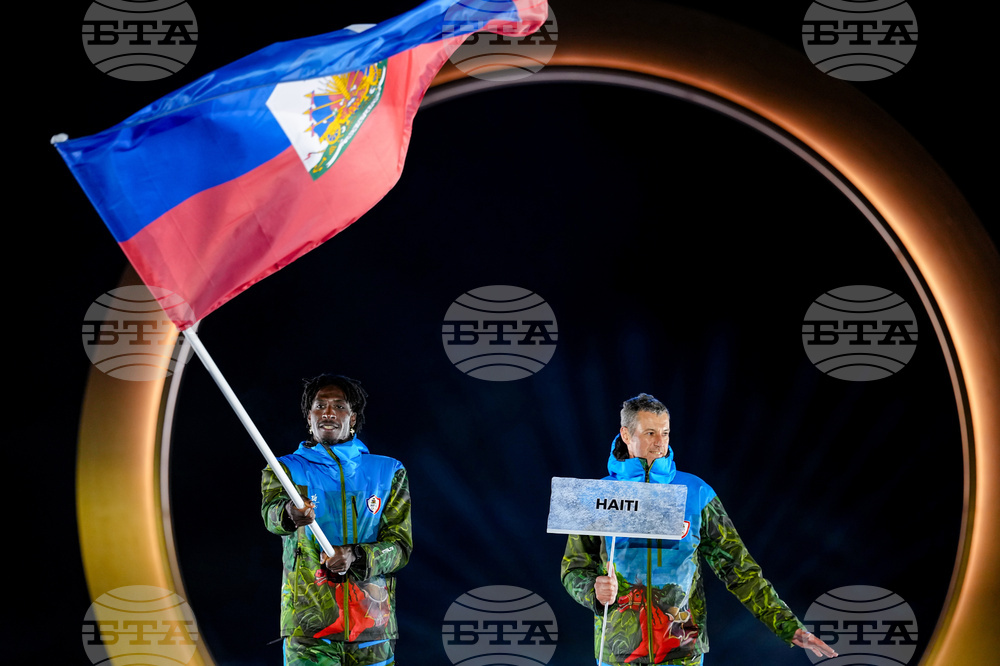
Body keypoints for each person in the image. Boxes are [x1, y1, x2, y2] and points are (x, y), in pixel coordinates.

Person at [560, 393, 836, 666]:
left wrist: (788, 626)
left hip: (682, 651)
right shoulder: (599, 496)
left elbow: (739, 568)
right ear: (626, 434)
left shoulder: (695, 493)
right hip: (617, 651)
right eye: (650, 433)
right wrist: (591, 591)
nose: (660, 443)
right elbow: (573, 568)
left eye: (665, 433)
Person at [262, 374, 411, 666]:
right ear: (309, 417)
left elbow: (400, 548)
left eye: (339, 406)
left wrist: (356, 556)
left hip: (372, 630)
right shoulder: (285, 470)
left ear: (352, 418)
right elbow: (271, 516)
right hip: (309, 633)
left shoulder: (389, 471)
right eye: (320, 406)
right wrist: (292, 514)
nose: (329, 412)